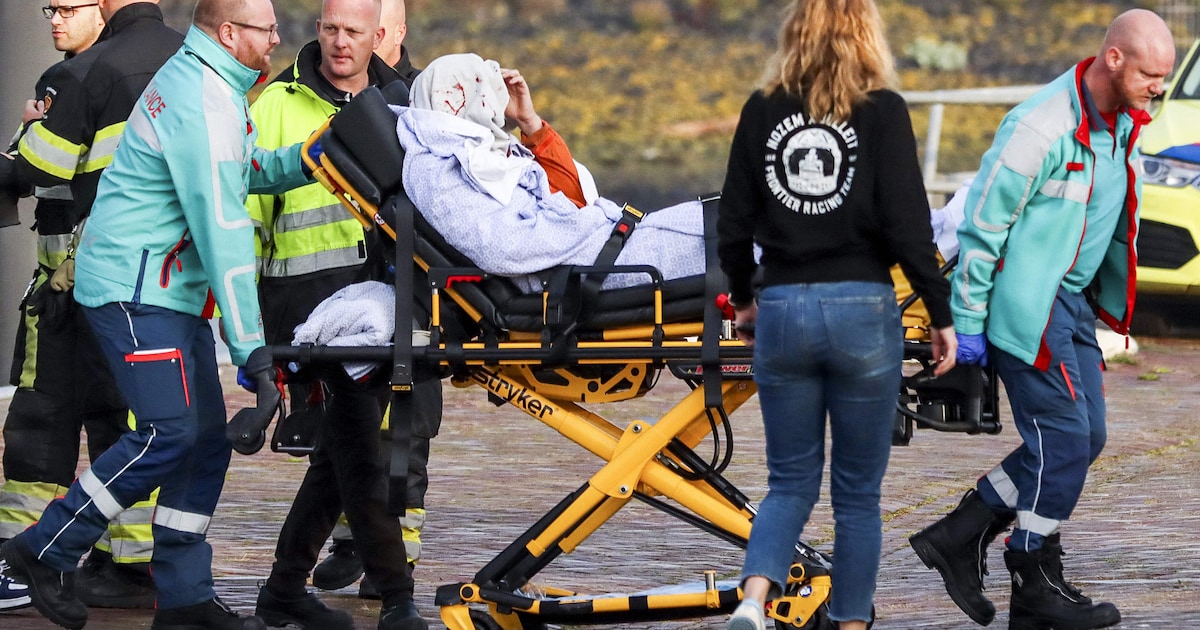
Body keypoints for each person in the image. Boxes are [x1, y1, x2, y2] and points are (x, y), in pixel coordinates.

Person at [0, 0, 312, 627]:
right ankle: (41, 552)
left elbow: (236, 171)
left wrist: (305, 159)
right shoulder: (201, 96)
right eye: (266, 28)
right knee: (168, 433)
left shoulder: (213, 85)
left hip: (163, 289)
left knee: (203, 442)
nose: (278, 38)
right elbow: (223, 227)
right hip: (135, 290)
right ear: (229, 33)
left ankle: (185, 598)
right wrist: (251, 344)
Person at [907, 9, 1175, 630]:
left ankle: (962, 531)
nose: (1159, 87)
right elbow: (982, 227)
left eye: (1165, 76)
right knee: (1063, 441)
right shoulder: (1040, 125)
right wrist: (967, 319)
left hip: (1072, 302)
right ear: (1114, 58)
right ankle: (1033, 579)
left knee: (1087, 440)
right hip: (1026, 305)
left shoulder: (1121, 123)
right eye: (1151, 74)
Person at [716, 1, 957, 629]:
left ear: (793, 33)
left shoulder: (762, 109)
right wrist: (940, 312)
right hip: (861, 310)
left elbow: (733, 222)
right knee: (857, 497)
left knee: (789, 482)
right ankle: (851, 624)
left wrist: (743, 300)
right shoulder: (884, 112)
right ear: (868, 35)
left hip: (785, 307)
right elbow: (910, 226)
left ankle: (751, 600)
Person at [244, 1, 429, 628]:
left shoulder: (405, 101)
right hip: (311, 318)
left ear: (380, 35)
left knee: (337, 459)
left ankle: (284, 587)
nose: (339, 43)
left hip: (386, 312)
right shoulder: (275, 105)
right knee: (357, 453)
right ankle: (396, 594)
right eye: (329, 29)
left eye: (353, 32)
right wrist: (251, 329)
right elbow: (245, 225)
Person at [0, 0, 185, 611]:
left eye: (66, 6)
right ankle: (132, 562)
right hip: (146, 289)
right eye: (47, 9)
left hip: (69, 288)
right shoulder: (180, 63)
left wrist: (29, 132)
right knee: (124, 423)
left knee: (40, 423)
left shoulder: (76, 77)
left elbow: (41, 167)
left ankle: (19, 558)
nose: (53, 20)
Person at [398, 53, 698, 293]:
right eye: (485, 93)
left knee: (716, 220)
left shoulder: (484, 151)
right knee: (714, 234)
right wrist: (579, 223)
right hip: (580, 266)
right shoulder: (440, 171)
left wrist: (530, 123)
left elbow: (573, 198)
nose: (492, 106)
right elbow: (505, 249)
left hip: (599, 248)